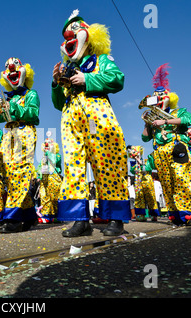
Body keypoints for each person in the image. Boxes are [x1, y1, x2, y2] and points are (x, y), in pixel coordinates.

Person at [51, 9, 131, 237]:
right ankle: (79, 219)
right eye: (67, 34)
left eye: (75, 31)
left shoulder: (101, 60)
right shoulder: (66, 67)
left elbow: (117, 80)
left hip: (97, 117)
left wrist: (88, 78)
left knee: (106, 164)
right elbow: (58, 103)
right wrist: (57, 84)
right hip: (70, 120)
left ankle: (116, 218)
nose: (69, 36)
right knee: (73, 168)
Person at [140, 64, 191, 226]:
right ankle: (175, 214)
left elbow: (189, 120)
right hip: (160, 153)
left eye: (160, 97)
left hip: (176, 148)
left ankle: (189, 214)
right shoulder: (153, 118)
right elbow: (144, 139)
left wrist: (165, 120)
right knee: (167, 183)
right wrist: (147, 123)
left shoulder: (178, 112)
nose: (157, 100)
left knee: (182, 180)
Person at [0, 57, 40, 233]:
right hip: (8, 135)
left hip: (24, 133)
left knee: (19, 173)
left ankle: (13, 217)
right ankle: (30, 215)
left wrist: (14, 109)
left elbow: (33, 114)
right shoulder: (7, 97)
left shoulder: (31, 94)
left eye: (15, 67)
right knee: (10, 176)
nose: (11, 68)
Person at [127, 145, 160, 222]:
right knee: (139, 197)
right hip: (138, 181)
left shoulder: (146, 160)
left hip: (147, 180)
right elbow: (132, 171)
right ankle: (140, 214)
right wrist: (136, 163)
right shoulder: (133, 163)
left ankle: (153, 214)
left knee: (150, 196)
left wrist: (140, 162)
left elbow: (148, 168)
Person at [36, 136, 62, 223]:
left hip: (54, 178)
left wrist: (48, 153)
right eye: (45, 143)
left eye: (49, 144)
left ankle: (56, 216)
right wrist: (39, 176)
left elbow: (55, 161)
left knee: (54, 197)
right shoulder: (43, 157)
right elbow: (40, 167)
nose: (47, 145)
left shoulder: (57, 155)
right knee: (44, 197)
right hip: (44, 180)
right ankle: (46, 216)